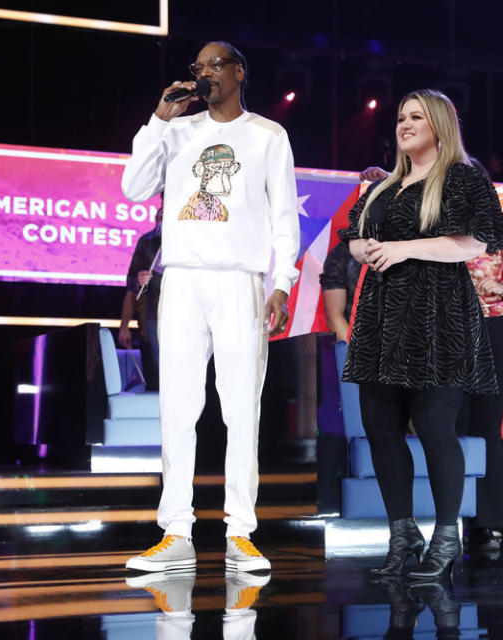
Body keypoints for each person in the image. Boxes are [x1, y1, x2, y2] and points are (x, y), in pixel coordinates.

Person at [121, 41, 300, 573]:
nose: (204, 75)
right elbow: (133, 189)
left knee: (241, 406)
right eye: (196, 68)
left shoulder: (269, 135)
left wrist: (282, 282)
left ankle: (240, 534)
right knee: (177, 407)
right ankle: (176, 531)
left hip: (240, 281)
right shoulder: (175, 132)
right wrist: (157, 119)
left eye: (214, 65)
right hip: (181, 281)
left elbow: (285, 218)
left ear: (240, 71)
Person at [340, 89, 503, 581]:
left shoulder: (461, 178)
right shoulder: (384, 186)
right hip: (380, 318)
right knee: (380, 428)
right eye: (400, 118)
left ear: (439, 125)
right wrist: (366, 247)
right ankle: (402, 533)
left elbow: (479, 238)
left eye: (416, 117)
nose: (404, 124)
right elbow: (352, 237)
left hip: (439, 320)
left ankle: (446, 537)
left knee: (436, 430)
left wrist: (406, 248)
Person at [458, 197, 503, 549]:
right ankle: (452, 517)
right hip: (448, 332)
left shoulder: (501, 234)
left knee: (486, 425)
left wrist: (500, 288)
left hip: (492, 331)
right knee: (451, 422)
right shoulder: (436, 232)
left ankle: (491, 519)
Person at [119, 203, 163, 390]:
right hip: (153, 315)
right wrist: (139, 279)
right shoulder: (147, 242)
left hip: (185, 313)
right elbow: (131, 284)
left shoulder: (189, 242)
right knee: (157, 370)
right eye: (160, 218)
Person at [320, 239, 363, 342]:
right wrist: (358, 356)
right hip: (361, 344)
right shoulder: (342, 254)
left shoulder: (404, 248)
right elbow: (334, 316)